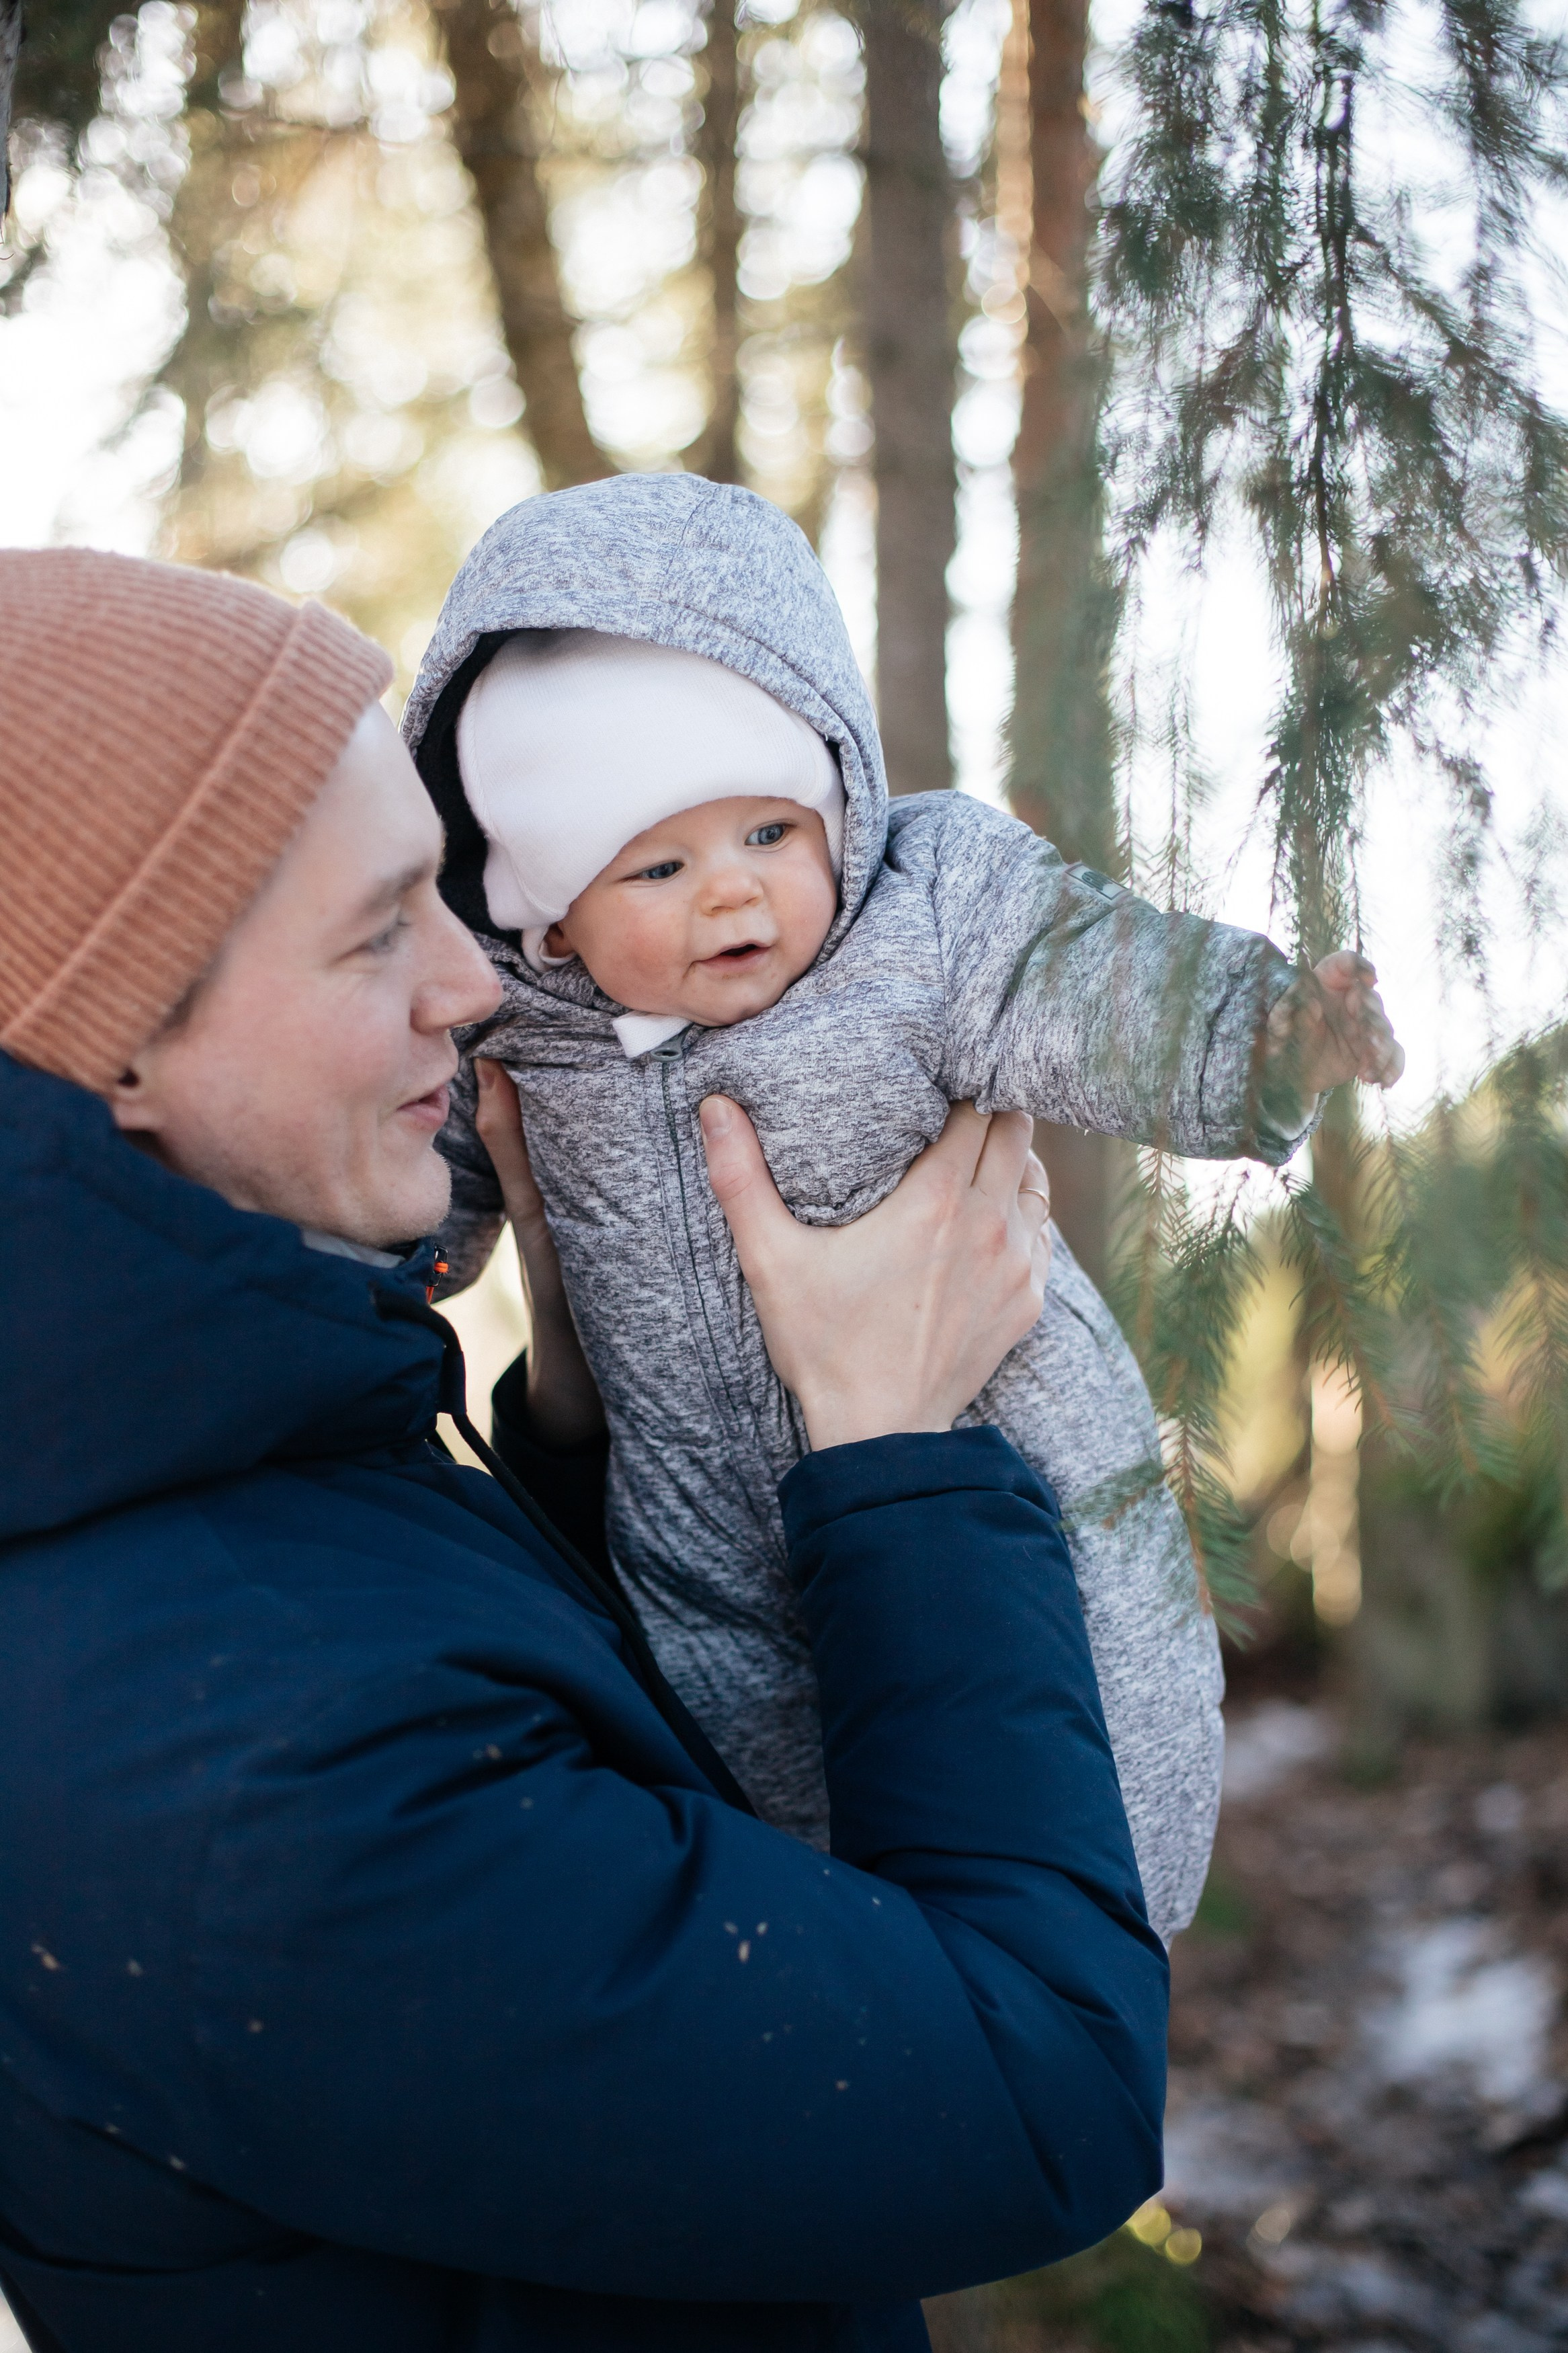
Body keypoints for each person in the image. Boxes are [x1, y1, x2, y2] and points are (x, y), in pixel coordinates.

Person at [0, 546, 1167, 2353]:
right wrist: (894, 1449)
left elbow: (552, 1784)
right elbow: (1038, 2087)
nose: (475, 982)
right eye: (377, 923)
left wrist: (593, 1401)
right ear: (119, 1047)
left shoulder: (191, 1476)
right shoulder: (228, 1781)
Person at [406, 471, 1405, 1927]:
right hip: (700, 1545)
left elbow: (1084, 972)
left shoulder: (921, 918)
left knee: (1083, 1715)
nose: (735, 898)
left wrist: (1259, 1030)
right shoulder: (513, 1022)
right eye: (661, 866)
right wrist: (388, 1267)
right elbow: (408, 1169)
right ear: (549, 906)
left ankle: (1107, 1912)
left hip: (1007, 1471)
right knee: (777, 1832)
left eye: (769, 834)